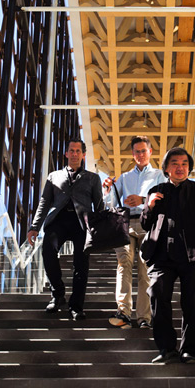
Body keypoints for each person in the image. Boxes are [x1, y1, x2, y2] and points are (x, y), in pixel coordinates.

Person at [140, 148, 195, 364]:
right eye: (175, 163)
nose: (180, 167)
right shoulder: (156, 190)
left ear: (189, 168)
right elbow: (146, 224)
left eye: (184, 163)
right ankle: (166, 349)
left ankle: (189, 351)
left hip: (193, 255)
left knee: (193, 302)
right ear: (166, 168)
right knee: (157, 294)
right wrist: (149, 206)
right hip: (161, 255)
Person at [27, 139, 104, 320]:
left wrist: (100, 231)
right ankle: (57, 293)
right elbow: (44, 202)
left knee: (81, 265)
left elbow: (99, 205)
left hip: (81, 223)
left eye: (78, 151)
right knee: (48, 251)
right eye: (72, 151)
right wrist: (34, 227)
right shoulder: (54, 176)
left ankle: (76, 306)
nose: (75, 154)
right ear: (66, 154)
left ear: (83, 155)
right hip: (58, 221)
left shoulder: (93, 178)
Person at [103, 135, 166, 329]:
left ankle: (144, 317)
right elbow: (112, 205)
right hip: (126, 223)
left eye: (143, 150)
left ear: (150, 152)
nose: (140, 154)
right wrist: (108, 191)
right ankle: (123, 312)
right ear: (132, 154)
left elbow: (164, 198)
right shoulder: (125, 177)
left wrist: (142, 200)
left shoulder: (158, 175)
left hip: (149, 224)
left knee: (145, 269)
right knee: (124, 263)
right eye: (137, 151)